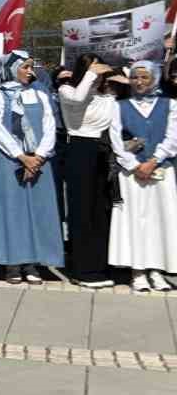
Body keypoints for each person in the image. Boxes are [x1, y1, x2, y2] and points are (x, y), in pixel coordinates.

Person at [0, 51, 64, 285]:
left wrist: (38, 156)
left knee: (38, 211)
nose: (30, 71)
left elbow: (49, 125)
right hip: (9, 162)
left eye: (31, 67)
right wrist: (21, 156)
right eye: (25, 67)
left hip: (39, 162)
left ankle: (33, 262)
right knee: (12, 212)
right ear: (11, 69)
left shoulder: (40, 94)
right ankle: (13, 262)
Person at [109, 61, 177, 291]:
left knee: (160, 219)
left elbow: (172, 137)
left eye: (144, 77)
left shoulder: (170, 105)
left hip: (161, 170)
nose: (139, 82)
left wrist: (153, 160)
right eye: (135, 77)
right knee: (135, 220)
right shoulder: (119, 106)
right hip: (131, 173)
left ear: (154, 79)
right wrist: (135, 165)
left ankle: (156, 269)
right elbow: (116, 140)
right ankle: (137, 271)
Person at [54, 56, 120, 288]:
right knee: (82, 210)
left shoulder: (107, 96)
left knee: (100, 210)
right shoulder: (67, 90)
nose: (98, 73)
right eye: (92, 68)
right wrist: (91, 73)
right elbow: (78, 98)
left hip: (102, 150)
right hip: (79, 149)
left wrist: (118, 76)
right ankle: (82, 270)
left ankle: (100, 265)